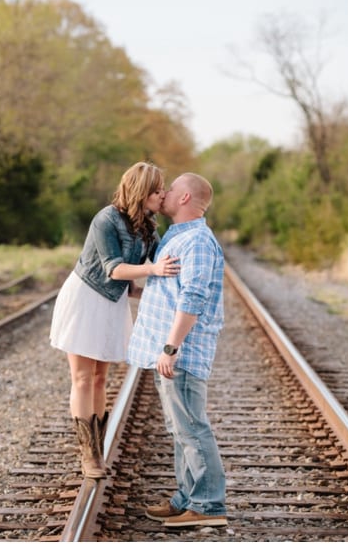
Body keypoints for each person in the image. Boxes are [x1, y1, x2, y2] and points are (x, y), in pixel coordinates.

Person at [50, 162, 180, 479]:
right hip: (86, 298)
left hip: (113, 303)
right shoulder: (106, 219)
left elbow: (163, 257)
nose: (162, 194)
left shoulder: (149, 227)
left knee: (99, 379)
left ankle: (98, 447)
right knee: (82, 378)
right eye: (158, 189)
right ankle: (89, 455)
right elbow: (113, 268)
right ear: (141, 192)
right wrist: (151, 271)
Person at [126, 172, 227, 528]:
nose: (164, 194)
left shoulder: (197, 240)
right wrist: (140, 291)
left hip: (181, 353)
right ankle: (187, 497)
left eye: (171, 190)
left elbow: (193, 296)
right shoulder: (180, 237)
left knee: (192, 428)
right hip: (170, 352)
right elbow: (173, 290)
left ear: (185, 198)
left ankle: (208, 505)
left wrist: (171, 347)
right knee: (179, 428)